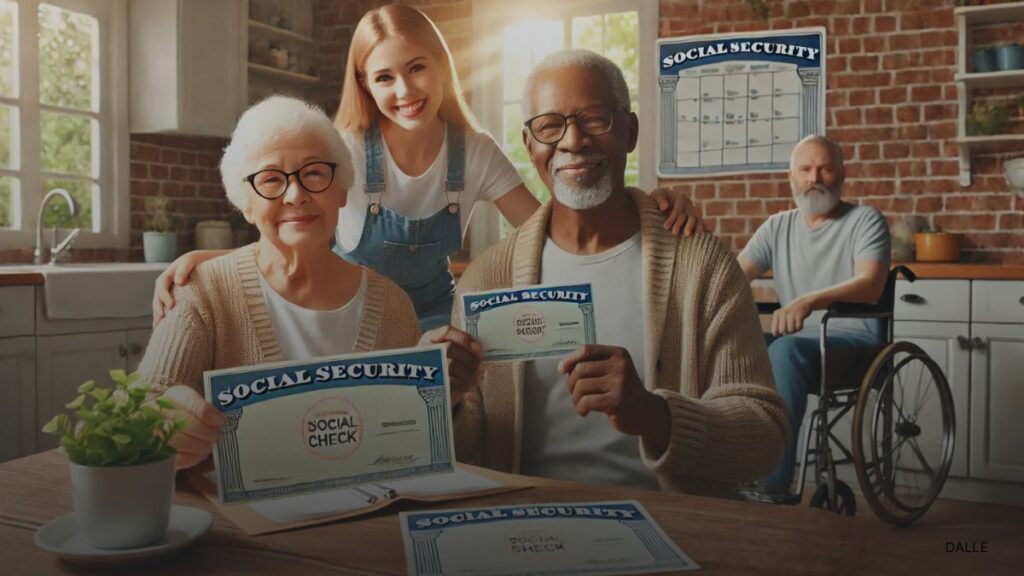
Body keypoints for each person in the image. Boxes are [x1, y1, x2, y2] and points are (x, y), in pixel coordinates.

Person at [151, 4, 701, 332]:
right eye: (384, 77)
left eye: (417, 68)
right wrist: (208, 259)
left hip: (439, 322)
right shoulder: (342, 150)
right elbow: (289, 243)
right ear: (365, 84)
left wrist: (643, 202)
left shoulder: (475, 151)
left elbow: (552, 228)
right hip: (347, 318)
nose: (405, 90)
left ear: (442, 67)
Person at [449, 49, 790, 499]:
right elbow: (467, 450)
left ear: (629, 131)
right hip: (524, 523)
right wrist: (445, 400)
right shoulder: (487, 278)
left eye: (594, 118)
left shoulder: (701, 268)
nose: (573, 141)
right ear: (530, 144)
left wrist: (656, 416)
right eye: (550, 125)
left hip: (672, 527)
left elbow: (766, 438)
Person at [137, 96, 483, 470]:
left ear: (342, 190)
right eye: (271, 179)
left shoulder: (393, 305)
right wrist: (161, 425)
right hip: (239, 526)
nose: (296, 194)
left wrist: (446, 399)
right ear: (245, 204)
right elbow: (140, 411)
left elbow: (435, 449)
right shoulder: (200, 292)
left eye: (315, 173)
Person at [737, 134, 891, 500]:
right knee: (741, 346)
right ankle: (735, 465)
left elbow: (870, 285)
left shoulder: (865, 220)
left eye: (823, 168)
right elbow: (733, 276)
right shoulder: (777, 227)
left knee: (785, 350)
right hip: (798, 344)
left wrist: (809, 300)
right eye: (805, 169)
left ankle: (775, 482)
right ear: (792, 177)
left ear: (841, 174)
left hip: (855, 345)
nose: (814, 177)